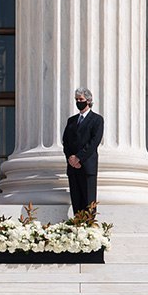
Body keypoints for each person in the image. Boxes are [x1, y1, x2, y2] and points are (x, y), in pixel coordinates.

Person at [62, 87, 103, 216]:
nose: (78, 102)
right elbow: (66, 142)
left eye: (81, 99)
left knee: (89, 201)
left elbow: (94, 142)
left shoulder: (97, 119)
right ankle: (77, 225)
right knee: (76, 201)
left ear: (88, 101)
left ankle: (89, 226)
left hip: (87, 166)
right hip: (73, 167)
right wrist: (71, 158)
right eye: (76, 99)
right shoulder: (71, 120)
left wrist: (79, 158)